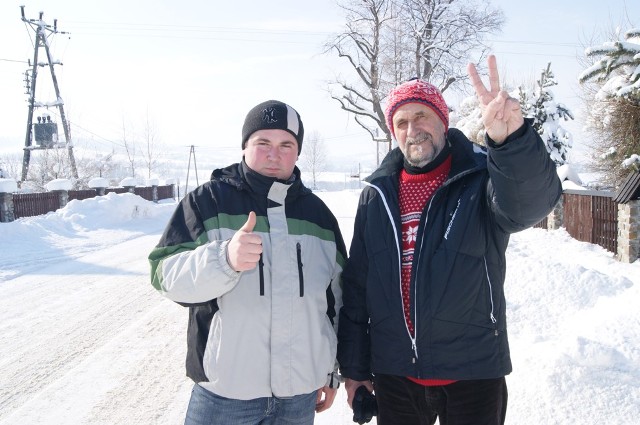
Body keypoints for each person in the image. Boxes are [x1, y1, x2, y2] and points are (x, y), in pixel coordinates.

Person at [337, 55, 562, 425]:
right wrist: (357, 369)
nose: (413, 129)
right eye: (402, 122)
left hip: (472, 372)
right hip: (395, 375)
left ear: (443, 121)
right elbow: (359, 287)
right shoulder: (376, 196)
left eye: (422, 116)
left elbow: (529, 205)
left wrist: (512, 142)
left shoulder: (481, 177)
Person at [149, 100, 346, 425]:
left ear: (297, 152)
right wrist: (224, 260)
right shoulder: (207, 202)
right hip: (225, 394)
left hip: (298, 396)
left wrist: (332, 370)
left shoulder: (319, 217)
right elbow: (163, 274)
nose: (274, 154)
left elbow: (338, 301)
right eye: (263, 143)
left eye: (286, 145)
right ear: (245, 147)